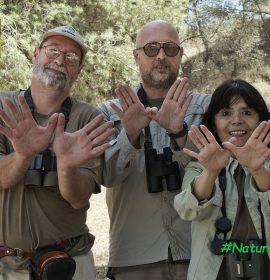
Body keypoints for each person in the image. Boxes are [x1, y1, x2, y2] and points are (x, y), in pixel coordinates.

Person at [0, 25, 114, 280]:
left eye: (71, 57)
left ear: (79, 69)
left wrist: (66, 166)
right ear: (35, 53)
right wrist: (22, 155)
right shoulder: (4, 106)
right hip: (7, 266)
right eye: (53, 50)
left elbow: (79, 199)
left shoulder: (89, 118)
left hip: (69, 263)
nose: (60, 60)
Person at [100, 19, 211, 280]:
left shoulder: (208, 107)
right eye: (151, 49)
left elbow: (219, 174)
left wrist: (180, 134)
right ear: (136, 56)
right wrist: (130, 134)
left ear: (181, 55)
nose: (161, 56)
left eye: (170, 48)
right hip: (133, 257)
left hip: (199, 253)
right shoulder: (110, 112)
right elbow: (107, 177)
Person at [174, 79, 270, 280]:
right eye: (226, 113)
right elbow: (187, 209)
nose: (236, 120)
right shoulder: (201, 163)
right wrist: (210, 171)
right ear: (214, 123)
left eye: (247, 112)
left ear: (261, 120)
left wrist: (258, 170)